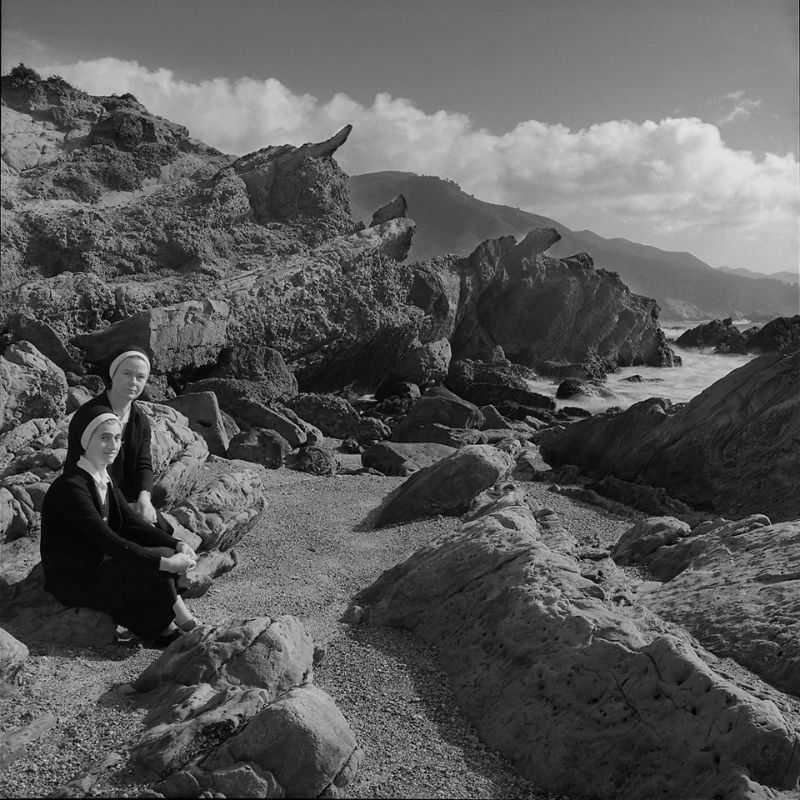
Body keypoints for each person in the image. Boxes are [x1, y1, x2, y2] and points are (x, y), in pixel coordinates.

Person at [41, 403, 198, 647]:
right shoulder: (71, 487)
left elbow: (130, 524)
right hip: (73, 580)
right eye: (104, 438)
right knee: (153, 567)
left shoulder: (102, 477)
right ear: (85, 440)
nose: (113, 445)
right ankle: (168, 628)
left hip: (97, 564)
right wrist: (165, 563)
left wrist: (176, 544)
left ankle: (166, 624)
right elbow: (108, 540)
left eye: (116, 438)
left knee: (160, 557)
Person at [66, 345, 161, 526]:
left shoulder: (140, 420)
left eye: (140, 377)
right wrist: (126, 509)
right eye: (126, 374)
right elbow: (84, 469)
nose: (133, 382)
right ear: (113, 374)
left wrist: (144, 498)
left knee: (166, 537)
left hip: (127, 499)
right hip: (92, 498)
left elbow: (144, 464)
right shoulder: (89, 416)